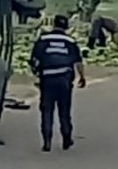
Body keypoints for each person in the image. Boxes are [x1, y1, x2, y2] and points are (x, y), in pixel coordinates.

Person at [30, 14, 86, 151]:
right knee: (64, 110)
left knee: (46, 110)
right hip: (64, 79)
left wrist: (37, 74)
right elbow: (78, 62)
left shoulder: (43, 39)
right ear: (66, 27)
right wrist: (82, 77)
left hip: (47, 78)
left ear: (53, 25)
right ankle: (67, 139)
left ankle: (47, 141)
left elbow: (34, 60)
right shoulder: (70, 41)